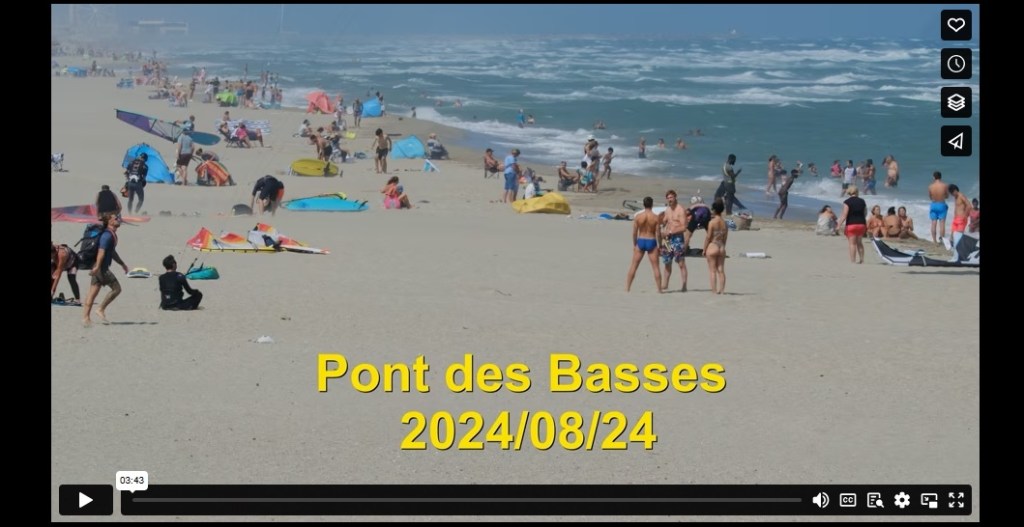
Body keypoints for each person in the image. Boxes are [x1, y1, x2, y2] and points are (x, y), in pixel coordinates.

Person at [82, 213, 129, 326]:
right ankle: (100, 309)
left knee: (92, 293)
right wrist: (98, 267)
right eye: (116, 218)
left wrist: (122, 264)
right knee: (117, 289)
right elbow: (101, 251)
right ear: (109, 221)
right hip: (101, 268)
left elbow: (112, 252)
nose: (118, 219)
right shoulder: (107, 235)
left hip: (98, 267)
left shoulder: (112, 235)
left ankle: (85, 318)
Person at [625, 197, 664, 293]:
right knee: (656, 267)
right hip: (651, 241)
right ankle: (659, 290)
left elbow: (634, 233)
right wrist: (660, 245)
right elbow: (658, 233)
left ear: (643, 204)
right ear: (652, 204)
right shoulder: (656, 217)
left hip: (641, 240)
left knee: (633, 266)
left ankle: (627, 288)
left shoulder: (638, 216)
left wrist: (635, 245)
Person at [659, 190, 689, 292]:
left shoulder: (680, 210)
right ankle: (665, 284)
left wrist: (671, 231)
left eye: (671, 197)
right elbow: (664, 221)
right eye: (668, 198)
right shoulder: (667, 210)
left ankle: (684, 285)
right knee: (667, 262)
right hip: (667, 240)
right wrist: (661, 224)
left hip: (677, 239)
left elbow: (684, 227)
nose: (669, 200)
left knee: (681, 262)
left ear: (675, 197)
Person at [836, 186, 867, 264]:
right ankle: (862, 260)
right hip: (861, 224)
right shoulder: (862, 201)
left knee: (852, 244)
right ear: (857, 192)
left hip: (851, 224)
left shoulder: (847, 202)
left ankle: (853, 261)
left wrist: (839, 224)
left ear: (849, 192)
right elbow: (865, 213)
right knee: (859, 243)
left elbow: (844, 214)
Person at [704, 200, 728, 294]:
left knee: (712, 270)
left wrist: (704, 248)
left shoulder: (712, 222)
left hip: (713, 245)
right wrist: (723, 246)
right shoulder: (724, 223)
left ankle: (714, 290)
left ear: (714, 210)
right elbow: (725, 237)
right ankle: (722, 290)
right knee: (721, 270)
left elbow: (708, 237)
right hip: (721, 246)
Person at [928, 171, 950, 243]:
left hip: (934, 204)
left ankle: (934, 241)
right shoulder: (945, 185)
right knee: (942, 223)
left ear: (933, 177)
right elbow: (947, 196)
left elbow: (930, 197)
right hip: (941, 204)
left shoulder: (930, 186)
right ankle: (941, 241)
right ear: (941, 177)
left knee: (933, 223)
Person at [949, 184, 973, 248]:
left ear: (955, 190)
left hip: (961, 219)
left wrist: (965, 215)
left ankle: (962, 248)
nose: (952, 195)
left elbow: (969, 206)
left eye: (952, 193)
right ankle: (953, 249)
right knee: (952, 236)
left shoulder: (961, 196)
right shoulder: (956, 197)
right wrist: (954, 216)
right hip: (956, 219)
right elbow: (957, 207)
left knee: (959, 236)